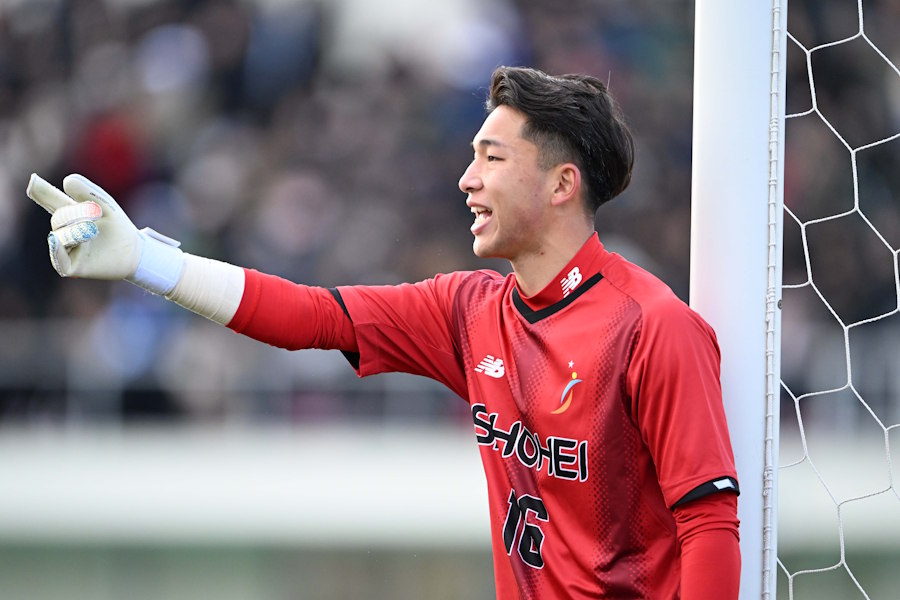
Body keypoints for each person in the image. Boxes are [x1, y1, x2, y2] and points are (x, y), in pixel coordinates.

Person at [27, 66, 740, 599]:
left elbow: (708, 525)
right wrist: (147, 262)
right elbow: (309, 315)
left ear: (561, 185)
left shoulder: (654, 328)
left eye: (492, 158)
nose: (467, 179)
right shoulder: (468, 310)